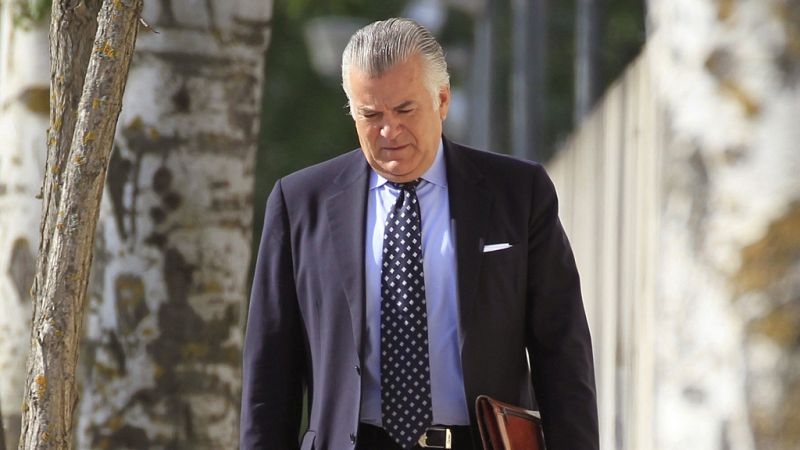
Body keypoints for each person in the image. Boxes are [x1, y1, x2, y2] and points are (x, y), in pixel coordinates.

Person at [240, 18, 598, 450]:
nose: (388, 131)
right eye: (370, 114)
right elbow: (269, 374)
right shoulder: (299, 203)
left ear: (442, 100)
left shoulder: (519, 194)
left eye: (405, 110)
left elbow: (562, 352)